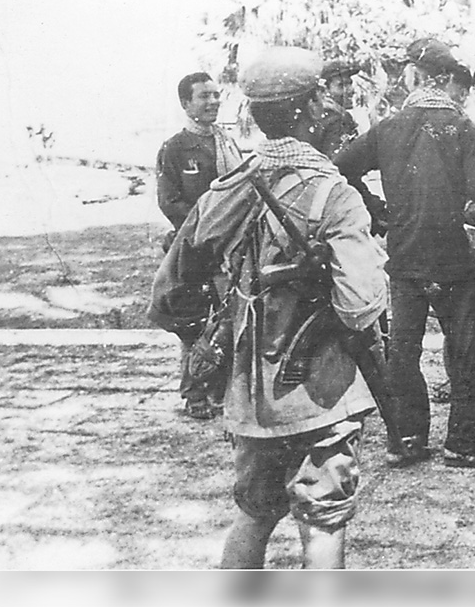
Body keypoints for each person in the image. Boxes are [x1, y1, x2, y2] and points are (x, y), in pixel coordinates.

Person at [149, 46, 389, 568]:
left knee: (254, 515)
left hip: (250, 394)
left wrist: (224, 321)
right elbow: (359, 306)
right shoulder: (334, 194)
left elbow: (169, 294)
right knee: (322, 525)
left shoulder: (227, 189)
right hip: (318, 391)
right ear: (312, 109)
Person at [334, 37, 475, 469]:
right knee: (468, 354)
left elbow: (340, 169)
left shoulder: (389, 127)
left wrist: (378, 212)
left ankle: (407, 440)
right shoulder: (460, 127)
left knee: (403, 354)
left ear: (416, 77)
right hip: (450, 259)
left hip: (405, 257)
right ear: (445, 79)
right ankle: (463, 443)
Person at [156, 71, 243, 420]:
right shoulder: (175, 148)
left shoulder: (227, 142)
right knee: (194, 323)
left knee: (230, 318)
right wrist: (204, 226)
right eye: (203, 96)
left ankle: (221, 392)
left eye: (215, 95)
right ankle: (194, 394)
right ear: (185, 103)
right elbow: (169, 201)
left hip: (231, 247)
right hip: (193, 249)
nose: (213, 102)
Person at [318, 59, 360, 159]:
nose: (350, 90)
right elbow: (339, 159)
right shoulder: (338, 119)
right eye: (341, 85)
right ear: (325, 90)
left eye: (350, 83)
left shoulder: (316, 113)